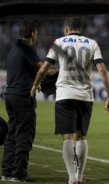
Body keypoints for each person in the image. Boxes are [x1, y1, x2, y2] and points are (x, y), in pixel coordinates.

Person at [31, 17, 109, 184]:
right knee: (82, 136)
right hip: (85, 96)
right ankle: (80, 176)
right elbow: (102, 70)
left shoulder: (58, 42)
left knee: (67, 138)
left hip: (64, 95)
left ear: (66, 29)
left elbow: (44, 68)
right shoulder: (92, 43)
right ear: (80, 28)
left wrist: (36, 84)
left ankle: (71, 177)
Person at [1, 20, 57, 182]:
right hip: (22, 97)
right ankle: (19, 172)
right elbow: (43, 70)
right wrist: (62, 71)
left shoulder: (14, 48)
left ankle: (7, 171)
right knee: (25, 134)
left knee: (12, 134)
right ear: (32, 34)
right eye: (36, 33)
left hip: (10, 95)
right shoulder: (27, 47)